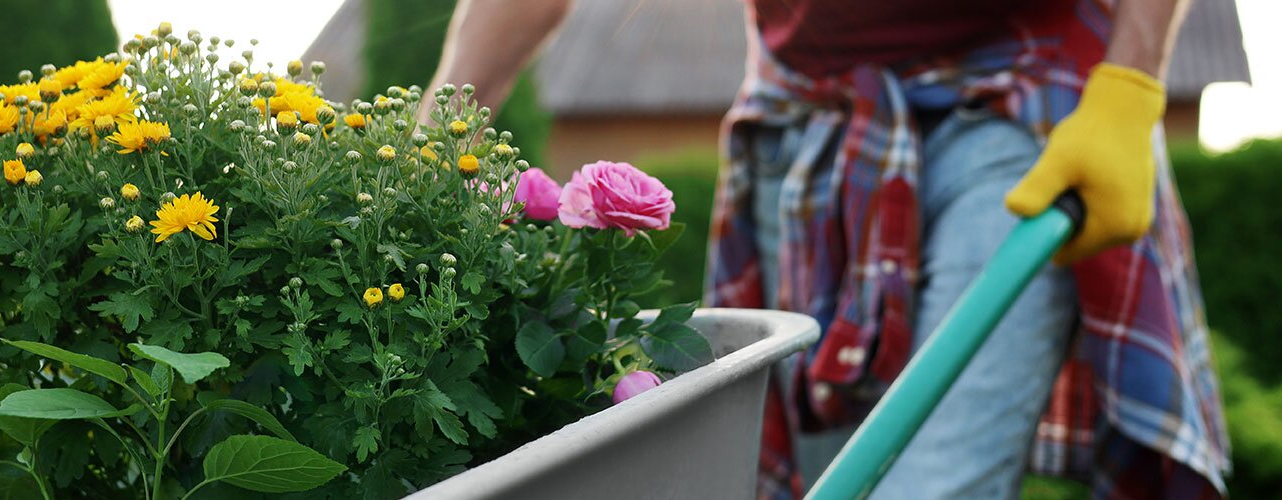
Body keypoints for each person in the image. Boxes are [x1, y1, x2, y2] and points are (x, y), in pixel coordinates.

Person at [425, 0, 1229, 498]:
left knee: (927, 486)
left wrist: (1131, 84)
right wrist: (434, 142)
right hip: (809, 123)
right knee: (829, 480)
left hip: (1015, 94)